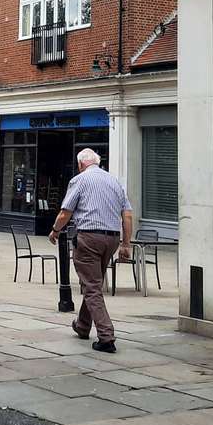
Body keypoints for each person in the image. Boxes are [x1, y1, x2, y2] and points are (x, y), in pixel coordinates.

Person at [48, 149, 133, 354]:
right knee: (93, 281)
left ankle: (106, 336)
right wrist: (126, 244)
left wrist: (55, 230)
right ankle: (83, 326)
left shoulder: (80, 180)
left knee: (92, 286)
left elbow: (65, 211)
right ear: (98, 162)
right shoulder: (115, 181)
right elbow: (127, 215)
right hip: (111, 238)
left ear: (80, 164)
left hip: (88, 238)